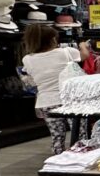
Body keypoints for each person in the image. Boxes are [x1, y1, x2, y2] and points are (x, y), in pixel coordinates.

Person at [22, 24, 90, 155]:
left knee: (57, 137)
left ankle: (59, 163)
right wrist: (82, 45)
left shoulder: (27, 59)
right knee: (79, 135)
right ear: (52, 39)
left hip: (46, 102)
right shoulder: (66, 52)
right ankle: (81, 160)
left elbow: (30, 75)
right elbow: (85, 55)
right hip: (70, 100)